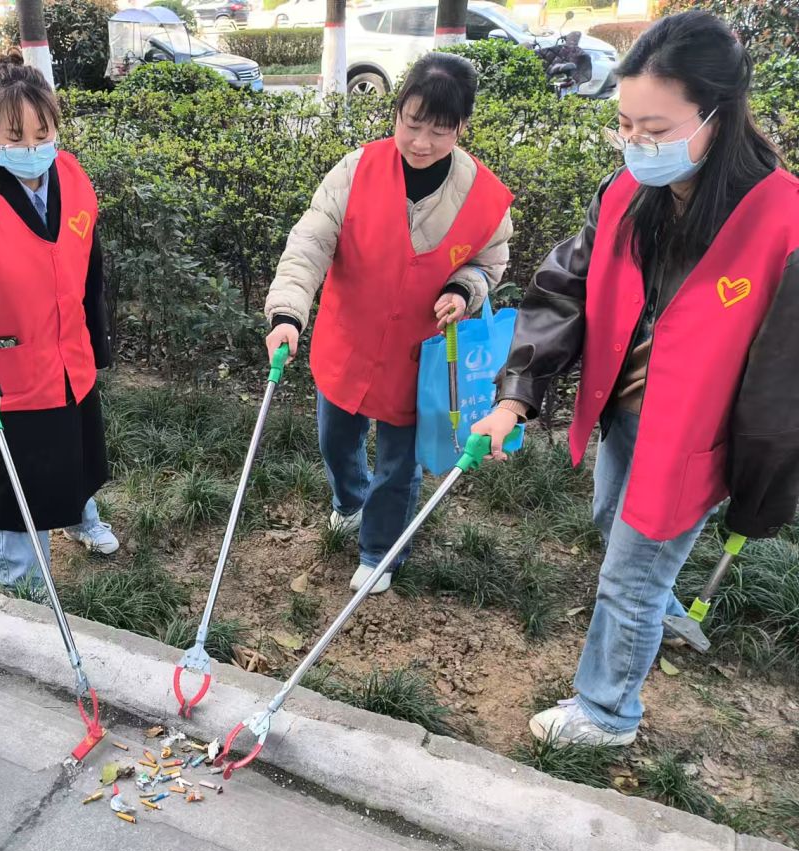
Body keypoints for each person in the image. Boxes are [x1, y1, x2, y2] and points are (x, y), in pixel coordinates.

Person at [472, 11, 799, 746]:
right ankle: (658, 602)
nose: (635, 144)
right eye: (624, 124)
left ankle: (608, 710)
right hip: (621, 412)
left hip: (693, 440)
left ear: (717, 115)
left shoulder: (784, 224)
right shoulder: (626, 195)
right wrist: (517, 394)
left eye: (656, 129)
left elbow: (785, 385)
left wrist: (761, 490)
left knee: (630, 575)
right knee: (610, 524)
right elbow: (564, 293)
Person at [264, 53, 514, 594]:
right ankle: (349, 501)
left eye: (440, 130)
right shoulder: (355, 170)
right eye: (412, 123)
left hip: (416, 355)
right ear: (396, 111)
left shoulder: (485, 196)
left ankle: (381, 550)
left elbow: (490, 262)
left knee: (400, 465)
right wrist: (287, 311)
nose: (422, 141)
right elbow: (310, 242)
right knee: (336, 439)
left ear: (462, 128)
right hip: (348, 339)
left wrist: (462, 289)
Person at [0, 57, 120, 594]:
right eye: (16, 134)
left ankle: (83, 518)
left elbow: (90, 265)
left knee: (78, 450)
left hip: (68, 355)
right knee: (14, 478)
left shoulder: (73, 177)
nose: (33, 145)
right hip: (6, 367)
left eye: (44, 131)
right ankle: (22, 581)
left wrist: (95, 341)